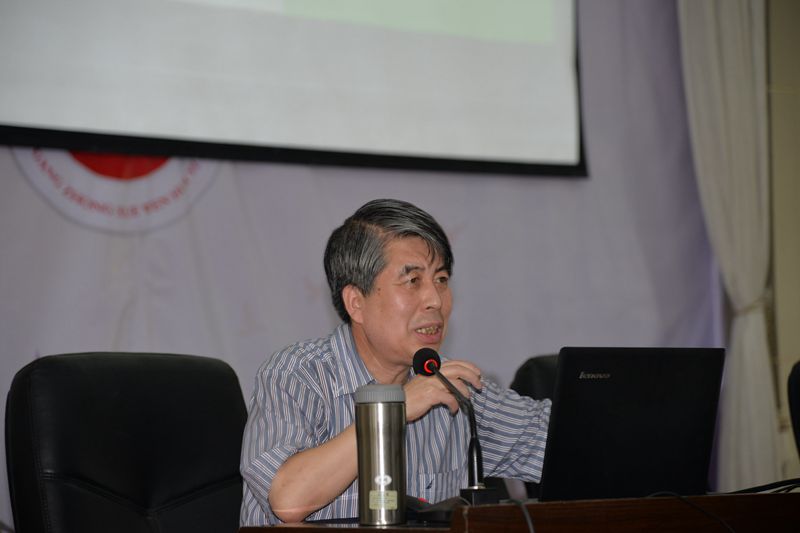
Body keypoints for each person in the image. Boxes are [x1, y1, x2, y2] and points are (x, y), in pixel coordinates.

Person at [240, 198, 550, 525]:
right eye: (413, 281)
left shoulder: (451, 386)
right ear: (356, 303)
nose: (435, 300)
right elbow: (288, 500)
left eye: (441, 279)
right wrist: (393, 411)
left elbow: (564, 442)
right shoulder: (298, 375)